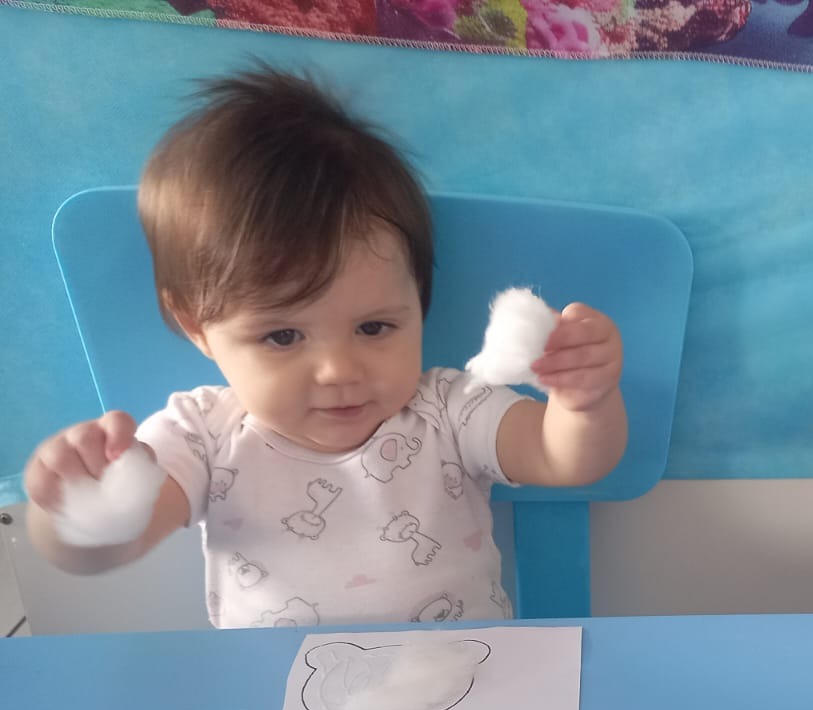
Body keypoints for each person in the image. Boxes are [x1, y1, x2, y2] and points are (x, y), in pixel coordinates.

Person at [23, 65, 626, 628]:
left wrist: (584, 403)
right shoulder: (201, 436)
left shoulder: (450, 410)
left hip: (468, 683)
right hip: (283, 696)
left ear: (419, 302)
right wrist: (76, 506)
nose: (339, 370)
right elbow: (109, 546)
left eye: (374, 328)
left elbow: (564, 459)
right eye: (282, 336)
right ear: (196, 326)